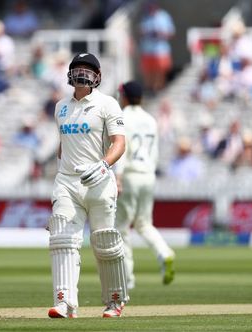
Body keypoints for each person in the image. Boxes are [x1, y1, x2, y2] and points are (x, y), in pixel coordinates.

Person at [47, 53, 128, 318]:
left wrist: (104, 165)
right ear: (69, 74)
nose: (82, 73)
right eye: (77, 68)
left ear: (98, 76)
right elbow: (63, 148)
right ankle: (65, 302)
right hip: (68, 182)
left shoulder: (108, 104)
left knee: (104, 242)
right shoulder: (61, 107)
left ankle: (115, 301)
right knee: (62, 237)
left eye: (88, 69)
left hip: (99, 181)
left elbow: (119, 143)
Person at [114, 81, 175, 290]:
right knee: (144, 223)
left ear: (124, 96)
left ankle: (127, 279)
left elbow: (120, 148)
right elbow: (155, 152)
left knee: (121, 227)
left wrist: (118, 176)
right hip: (148, 175)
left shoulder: (122, 117)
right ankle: (165, 253)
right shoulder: (150, 119)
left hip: (129, 174)